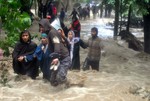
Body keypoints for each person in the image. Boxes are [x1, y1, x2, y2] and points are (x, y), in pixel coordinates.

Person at [39, 18, 71, 86]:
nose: (40, 29)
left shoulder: (52, 32)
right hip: (58, 58)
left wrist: (56, 57)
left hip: (64, 59)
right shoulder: (49, 33)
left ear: (46, 26)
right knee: (53, 81)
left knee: (60, 77)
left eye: (42, 27)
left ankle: (68, 85)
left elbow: (56, 43)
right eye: (40, 27)